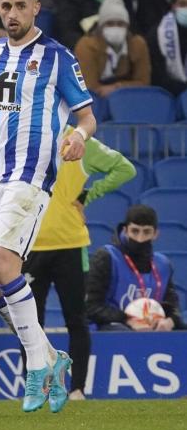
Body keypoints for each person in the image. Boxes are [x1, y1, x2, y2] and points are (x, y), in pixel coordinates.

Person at [0, 0, 97, 414]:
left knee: (4, 263)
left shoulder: (57, 57)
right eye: (4, 6)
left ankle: (36, 366)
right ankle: (51, 357)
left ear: (36, 7)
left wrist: (78, 138)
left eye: (19, 6)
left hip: (30, 176)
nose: (11, 14)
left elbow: (88, 117)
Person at [20, 126, 136, 401]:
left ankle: (77, 390)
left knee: (76, 320)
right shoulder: (24, 134)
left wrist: (87, 196)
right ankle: (38, 388)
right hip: (30, 244)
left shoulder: (80, 141)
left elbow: (125, 168)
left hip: (70, 245)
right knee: (30, 324)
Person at [86, 205, 184, 331]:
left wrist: (170, 320)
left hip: (151, 325)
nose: (140, 238)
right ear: (126, 231)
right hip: (109, 326)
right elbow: (91, 307)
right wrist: (128, 320)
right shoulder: (107, 257)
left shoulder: (163, 265)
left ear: (155, 234)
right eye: (135, 231)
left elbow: (173, 306)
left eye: (147, 232)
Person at [74, 0, 150, 98]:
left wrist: (117, 87)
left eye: (120, 24)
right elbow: (89, 86)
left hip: (129, 98)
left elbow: (144, 82)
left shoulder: (138, 44)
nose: (116, 28)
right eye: (110, 24)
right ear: (101, 26)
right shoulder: (86, 45)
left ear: (127, 27)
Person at [148, 0, 187, 96]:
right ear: (173, 6)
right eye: (183, 4)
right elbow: (157, 76)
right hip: (167, 95)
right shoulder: (158, 34)